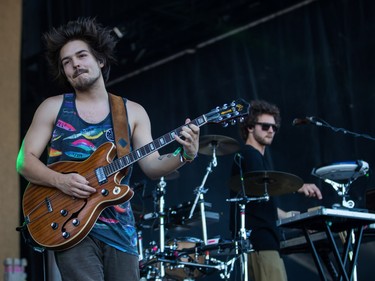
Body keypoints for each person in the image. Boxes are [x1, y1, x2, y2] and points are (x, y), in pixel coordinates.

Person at [16, 18, 200, 281]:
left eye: (81, 56)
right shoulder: (53, 107)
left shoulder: (132, 112)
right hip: (70, 224)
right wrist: (60, 181)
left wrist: (186, 154)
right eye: (66, 62)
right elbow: (24, 162)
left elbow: (152, 166)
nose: (75, 64)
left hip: (121, 231)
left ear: (100, 60)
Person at [230, 100, 322, 281]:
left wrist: (289, 216)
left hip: (260, 243)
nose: (271, 131)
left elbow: (259, 204)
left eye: (274, 127)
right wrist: (299, 186)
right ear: (249, 127)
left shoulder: (256, 158)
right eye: (265, 126)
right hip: (260, 243)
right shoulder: (250, 155)